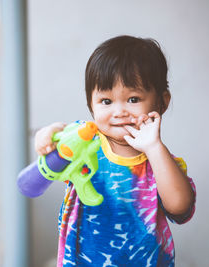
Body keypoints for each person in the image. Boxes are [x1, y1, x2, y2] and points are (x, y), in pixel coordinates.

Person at [34, 35, 196, 267]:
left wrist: (154, 148)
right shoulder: (85, 142)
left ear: (162, 102)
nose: (119, 111)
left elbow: (181, 206)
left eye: (133, 99)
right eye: (106, 101)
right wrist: (46, 134)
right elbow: (58, 136)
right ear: (91, 103)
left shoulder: (159, 160)